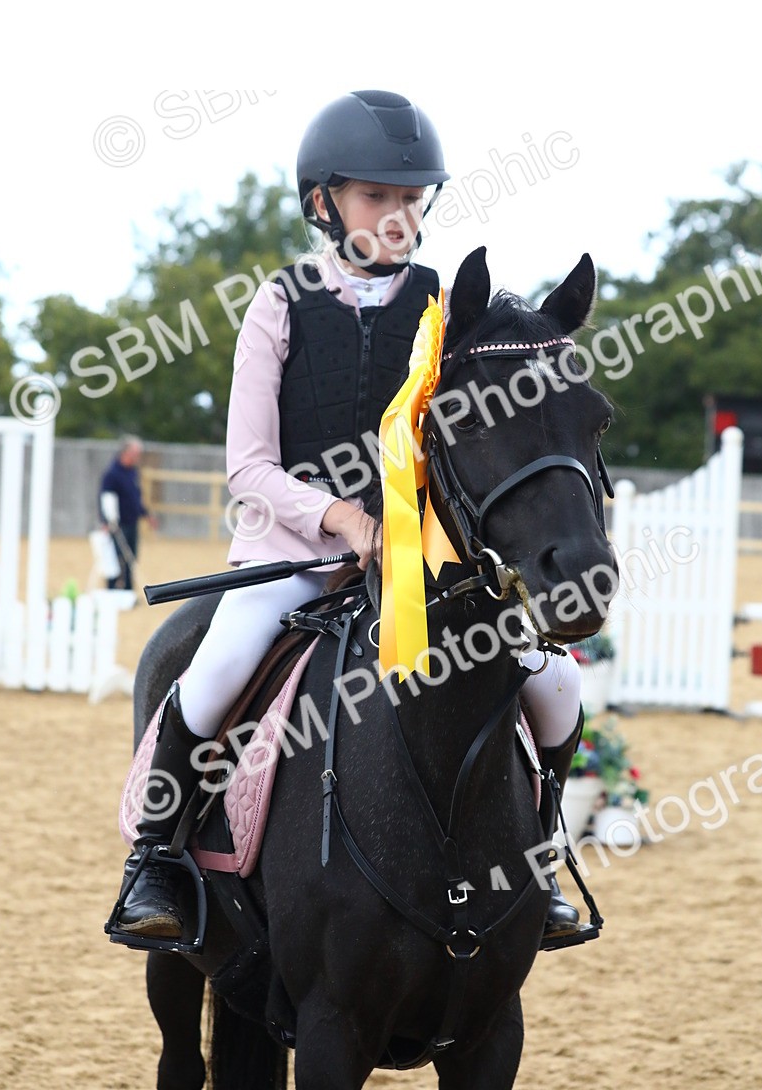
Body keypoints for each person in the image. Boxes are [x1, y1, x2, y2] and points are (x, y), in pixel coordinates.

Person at [113, 90, 584, 945]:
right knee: (215, 668)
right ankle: (155, 862)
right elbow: (248, 466)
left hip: (426, 561)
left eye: (411, 198)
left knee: (557, 684)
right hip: (288, 554)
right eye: (376, 196)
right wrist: (343, 520)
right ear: (324, 202)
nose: (398, 215)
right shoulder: (280, 303)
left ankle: (542, 855)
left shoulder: (448, 311)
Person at [99, 436, 157, 591]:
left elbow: (136, 497)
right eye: (136, 453)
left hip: (132, 522)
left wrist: (147, 515)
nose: (138, 457)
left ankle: (128, 590)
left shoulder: (132, 472)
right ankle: (111, 590)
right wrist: (106, 521)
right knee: (116, 558)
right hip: (118, 524)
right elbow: (105, 498)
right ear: (127, 452)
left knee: (131, 558)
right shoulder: (112, 474)